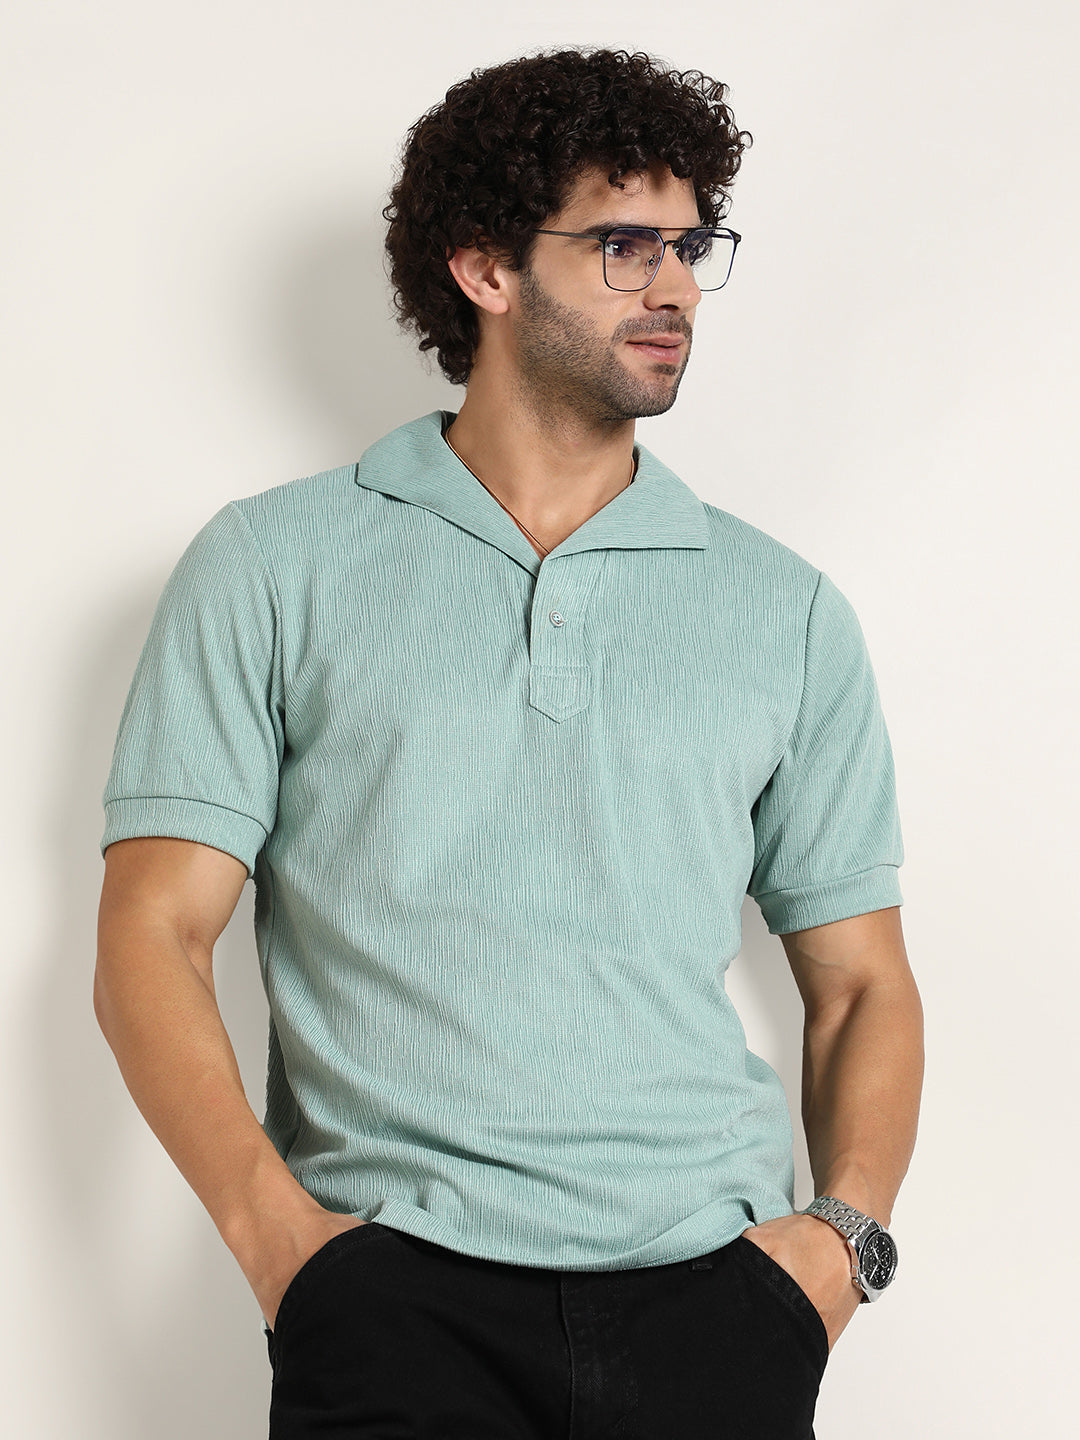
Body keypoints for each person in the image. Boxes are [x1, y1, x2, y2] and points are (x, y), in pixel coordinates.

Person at [95, 46, 924, 1440]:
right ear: (484, 267)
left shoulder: (783, 609)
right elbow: (152, 934)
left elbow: (860, 983)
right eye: (623, 245)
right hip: (392, 1301)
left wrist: (839, 1251)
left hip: (718, 1307)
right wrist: (281, 1248)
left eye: (691, 246)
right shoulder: (274, 565)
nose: (674, 288)